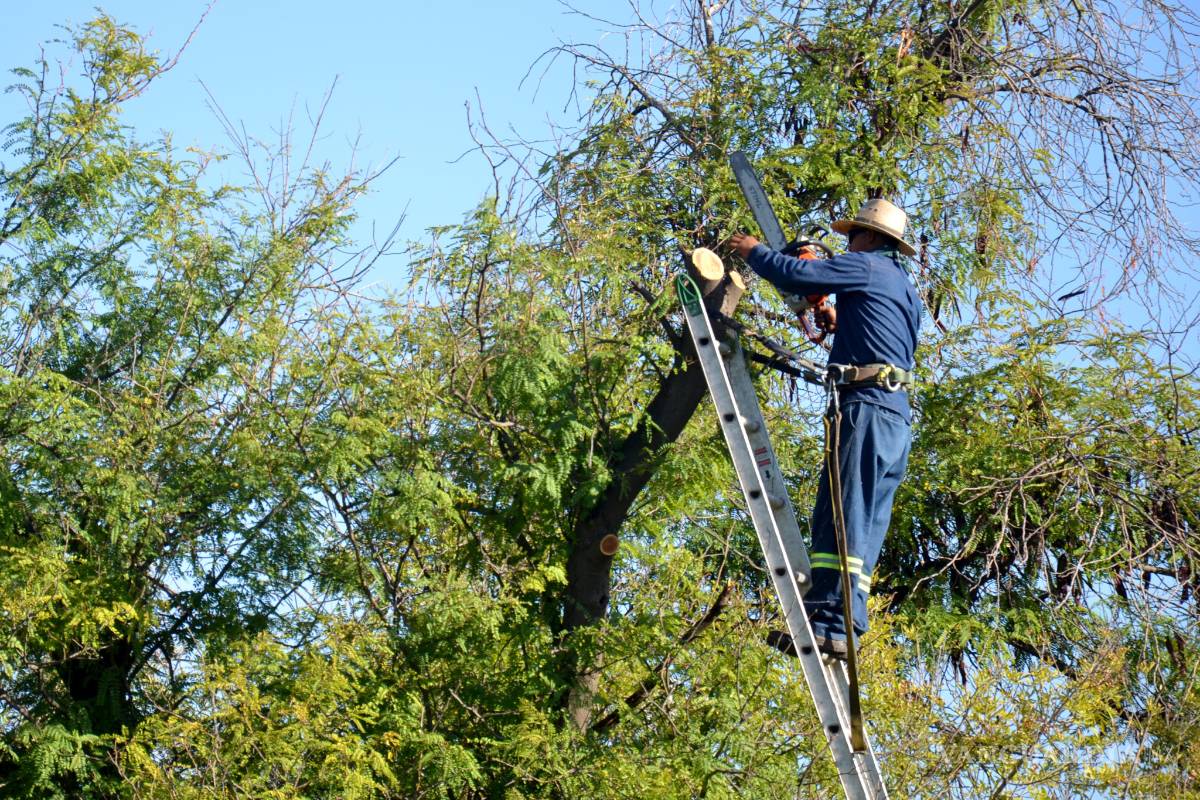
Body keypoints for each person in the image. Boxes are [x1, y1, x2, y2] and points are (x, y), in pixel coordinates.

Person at [729, 198, 922, 660]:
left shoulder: (867, 266)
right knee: (863, 522)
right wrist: (844, 318)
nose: (847, 245)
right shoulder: (902, 287)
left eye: (853, 236)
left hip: (866, 408)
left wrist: (752, 250)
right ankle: (841, 623)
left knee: (839, 513)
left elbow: (800, 276)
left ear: (872, 238)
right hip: (894, 416)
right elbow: (882, 333)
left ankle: (830, 619)